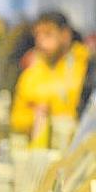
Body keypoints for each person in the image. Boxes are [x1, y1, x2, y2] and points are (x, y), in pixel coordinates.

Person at [10, 11, 94, 147]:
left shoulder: (86, 65)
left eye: (48, 34)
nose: (41, 41)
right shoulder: (31, 70)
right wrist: (37, 116)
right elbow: (16, 118)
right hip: (39, 148)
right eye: (37, 35)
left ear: (65, 35)